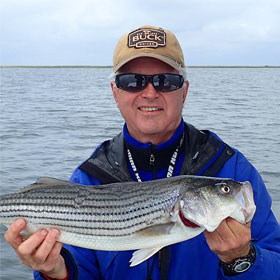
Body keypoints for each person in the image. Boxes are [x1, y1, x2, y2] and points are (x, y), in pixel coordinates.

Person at [4, 25, 280, 280]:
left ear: (184, 91)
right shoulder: (89, 177)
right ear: (115, 92)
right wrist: (55, 271)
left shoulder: (231, 167)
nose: (149, 92)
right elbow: (80, 271)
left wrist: (243, 259)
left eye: (166, 81)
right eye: (132, 81)